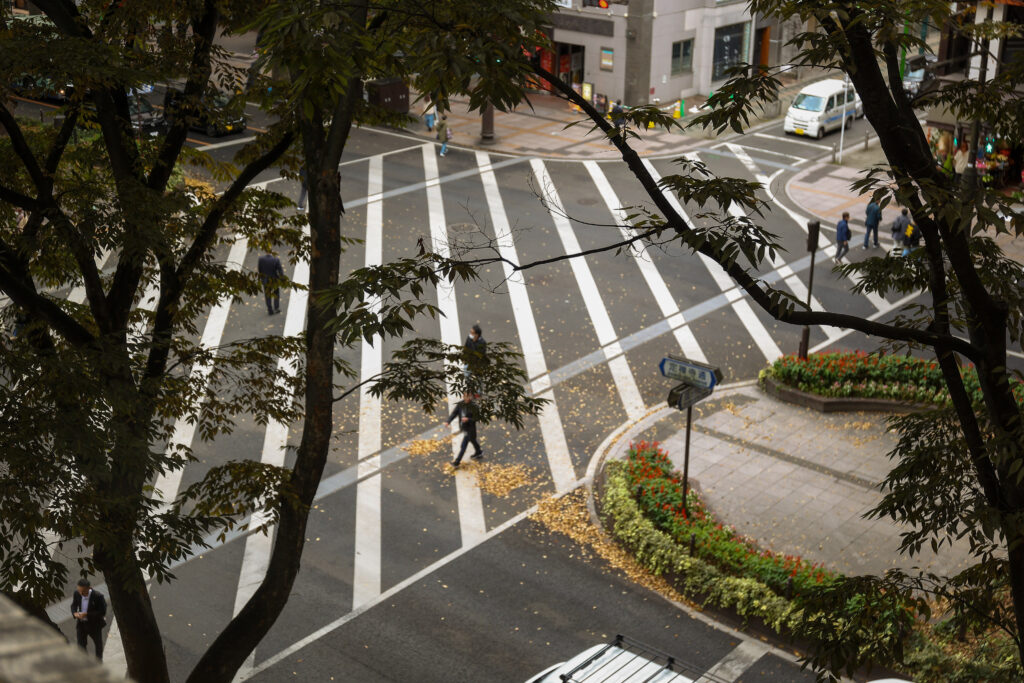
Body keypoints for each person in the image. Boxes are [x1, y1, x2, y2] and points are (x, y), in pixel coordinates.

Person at [71, 578, 107, 660]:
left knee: (98, 645)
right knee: (81, 646)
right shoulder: (77, 593)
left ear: (89, 588)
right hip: (81, 624)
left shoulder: (98, 596)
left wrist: (87, 614)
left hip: (94, 625)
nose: (81, 593)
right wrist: (74, 613)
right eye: (79, 590)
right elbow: (73, 605)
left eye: (83, 591)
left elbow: (102, 611)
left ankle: (98, 662)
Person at [445, 391, 482, 468]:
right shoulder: (460, 404)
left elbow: (477, 418)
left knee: (463, 446)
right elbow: (454, 413)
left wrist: (468, 419)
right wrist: (448, 421)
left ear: (471, 397)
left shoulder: (474, 406)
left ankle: (456, 462)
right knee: (473, 440)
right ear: (463, 397)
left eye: (469, 397)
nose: (467, 398)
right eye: (466, 396)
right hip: (464, 427)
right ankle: (479, 452)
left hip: (470, 429)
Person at [257, 250, 285, 315]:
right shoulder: (276, 259)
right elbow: (280, 270)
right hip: (274, 280)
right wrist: (282, 279)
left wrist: (262, 278)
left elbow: (260, 269)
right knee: (276, 293)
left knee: (267, 295)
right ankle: (276, 308)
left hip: (265, 280)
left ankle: (270, 309)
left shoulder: (261, 259)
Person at [462, 323, 487, 391]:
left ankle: (478, 392)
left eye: (472, 333)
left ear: (477, 335)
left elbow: (480, 355)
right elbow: (466, 348)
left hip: (478, 364)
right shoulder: (469, 338)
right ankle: (469, 391)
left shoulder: (482, 343)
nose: (470, 334)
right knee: (467, 377)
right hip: (468, 362)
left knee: (478, 379)